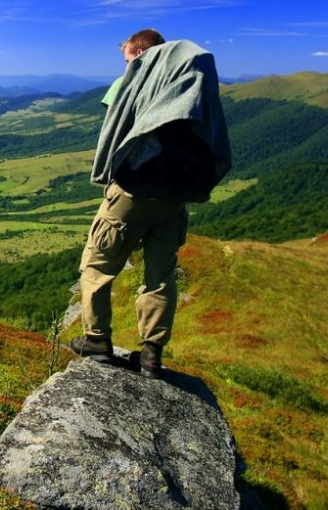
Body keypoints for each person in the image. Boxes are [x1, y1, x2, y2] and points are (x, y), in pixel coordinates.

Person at [69, 28, 232, 379]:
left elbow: (115, 122)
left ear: (140, 53)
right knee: (160, 276)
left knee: (97, 266)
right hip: (174, 198)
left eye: (128, 58)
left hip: (131, 192)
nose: (126, 66)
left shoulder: (135, 82)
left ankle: (97, 340)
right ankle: (151, 355)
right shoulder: (191, 85)